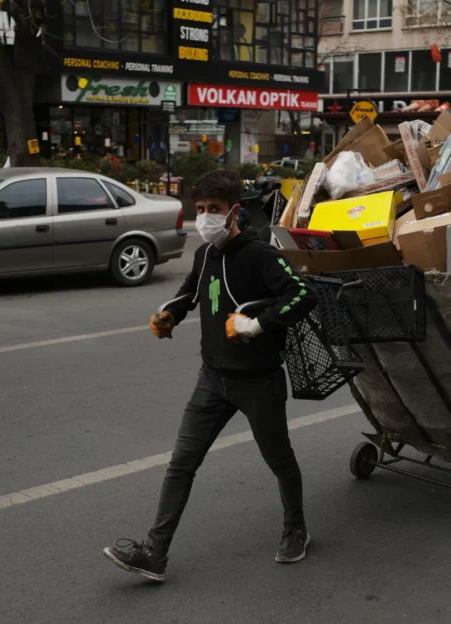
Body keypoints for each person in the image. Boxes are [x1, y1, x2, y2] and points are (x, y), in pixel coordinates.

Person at [102, 170, 318, 583]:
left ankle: (296, 528)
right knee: (181, 465)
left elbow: (303, 295)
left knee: (280, 461)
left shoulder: (259, 255)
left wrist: (258, 324)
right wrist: (170, 316)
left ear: (234, 210)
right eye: (199, 209)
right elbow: (189, 294)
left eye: (213, 210)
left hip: (258, 381)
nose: (205, 218)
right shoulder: (205, 256)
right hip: (213, 379)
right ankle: (155, 552)